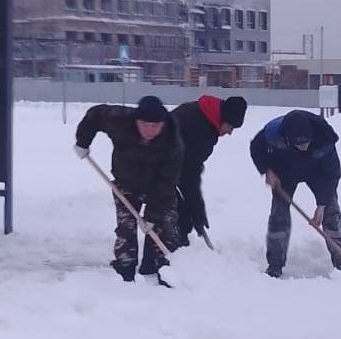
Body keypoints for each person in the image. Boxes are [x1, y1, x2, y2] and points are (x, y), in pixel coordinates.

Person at [74, 95, 183, 284]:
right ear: (136, 121)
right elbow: (95, 114)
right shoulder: (120, 120)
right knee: (127, 227)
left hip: (157, 186)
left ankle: (155, 269)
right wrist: (83, 142)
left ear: (163, 124)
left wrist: (152, 216)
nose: (150, 130)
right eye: (145, 124)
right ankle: (124, 272)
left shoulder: (172, 142)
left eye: (155, 125)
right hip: (126, 183)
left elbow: (166, 183)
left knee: (162, 227)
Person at [249, 109, 341, 276]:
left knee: (331, 212)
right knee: (278, 213)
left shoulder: (324, 138)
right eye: (299, 144)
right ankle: (275, 264)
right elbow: (256, 147)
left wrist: (322, 204)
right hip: (285, 171)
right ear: (288, 139)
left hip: (318, 172)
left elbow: (331, 174)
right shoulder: (273, 133)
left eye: (306, 142)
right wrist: (267, 170)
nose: (304, 147)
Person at [170, 95, 247, 246]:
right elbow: (189, 176)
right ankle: (172, 256)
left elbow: (189, 171)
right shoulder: (201, 131)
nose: (230, 132)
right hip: (151, 166)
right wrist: (197, 211)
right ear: (224, 118)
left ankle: (178, 248)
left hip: (167, 166)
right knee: (179, 217)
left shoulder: (199, 112)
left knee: (183, 216)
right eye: (230, 126)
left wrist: (196, 210)